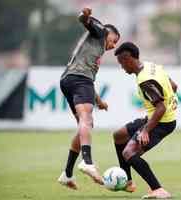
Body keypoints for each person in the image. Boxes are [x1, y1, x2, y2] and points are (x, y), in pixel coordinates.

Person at [57, 7, 120, 189]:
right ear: (109, 34)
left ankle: (67, 174)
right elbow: (84, 20)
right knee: (86, 119)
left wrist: (99, 100)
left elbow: (89, 78)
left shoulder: (97, 48)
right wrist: (85, 15)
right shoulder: (101, 32)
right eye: (114, 40)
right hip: (78, 79)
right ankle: (87, 161)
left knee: (84, 125)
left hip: (70, 79)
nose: (114, 45)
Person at [113, 42, 178, 199]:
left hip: (162, 122)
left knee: (128, 152)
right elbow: (174, 86)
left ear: (128, 59)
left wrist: (146, 130)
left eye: (122, 63)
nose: (122, 67)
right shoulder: (151, 66)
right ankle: (127, 182)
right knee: (119, 135)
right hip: (155, 117)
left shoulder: (144, 80)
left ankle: (158, 190)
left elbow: (161, 108)